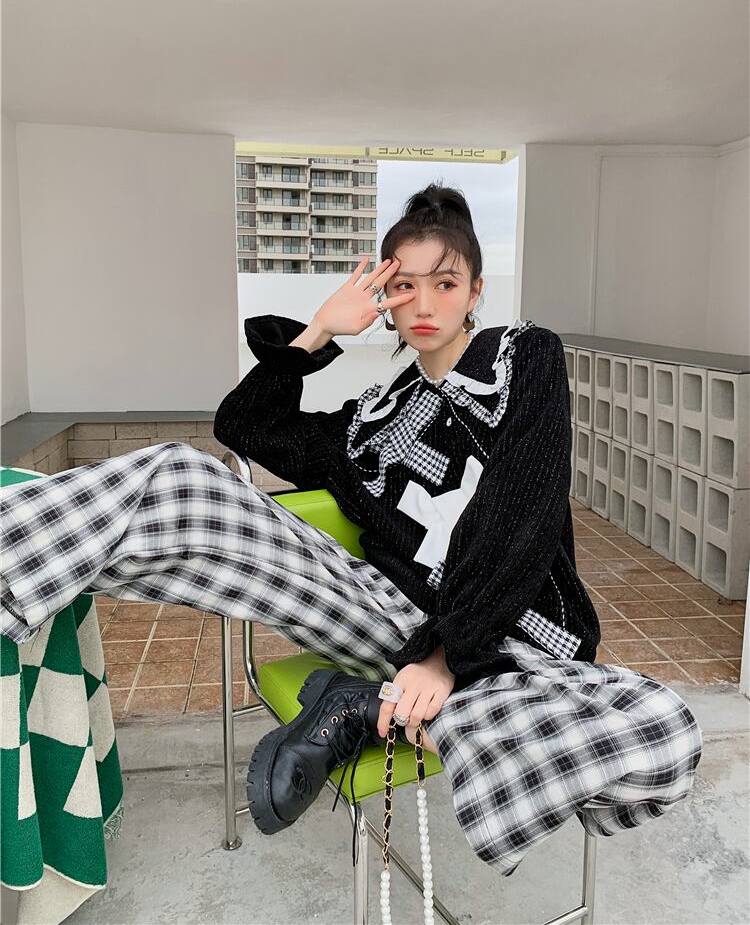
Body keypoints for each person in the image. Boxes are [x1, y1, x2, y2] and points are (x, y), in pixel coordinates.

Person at [0, 183, 702, 880]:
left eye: (445, 283)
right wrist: (319, 331)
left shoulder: (522, 358)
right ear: (384, 298)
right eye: (403, 286)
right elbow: (244, 426)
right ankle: (379, 705)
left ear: (475, 291)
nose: (423, 305)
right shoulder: (370, 420)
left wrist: (444, 656)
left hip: (517, 639)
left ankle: (370, 706)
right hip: (387, 619)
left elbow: (521, 508)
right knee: (181, 475)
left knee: (660, 736)